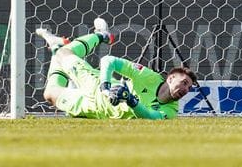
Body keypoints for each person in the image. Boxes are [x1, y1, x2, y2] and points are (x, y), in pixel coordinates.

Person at [39, 18, 197, 119]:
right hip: (95, 86)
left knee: (49, 93)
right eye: (184, 82)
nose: (186, 89)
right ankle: (102, 35)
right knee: (65, 53)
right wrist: (105, 85)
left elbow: (150, 116)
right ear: (170, 78)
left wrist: (131, 100)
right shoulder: (148, 76)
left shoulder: (171, 110)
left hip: (96, 110)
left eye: (189, 87)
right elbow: (109, 60)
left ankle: (56, 46)